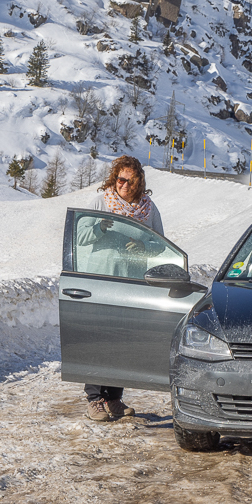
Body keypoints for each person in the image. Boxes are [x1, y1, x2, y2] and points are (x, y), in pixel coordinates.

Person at [81, 155, 164, 423]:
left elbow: (161, 244)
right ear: (114, 178)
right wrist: (100, 228)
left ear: (139, 182)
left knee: (121, 340)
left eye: (130, 180)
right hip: (101, 281)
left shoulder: (148, 209)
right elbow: (79, 235)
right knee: (98, 338)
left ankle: (114, 398)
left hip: (130, 283)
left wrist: (143, 247)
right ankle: (94, 399)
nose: (124, 185)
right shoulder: (101, 201)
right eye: (120, 179)